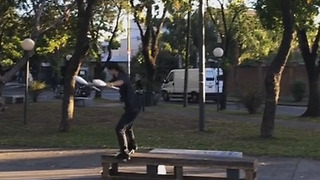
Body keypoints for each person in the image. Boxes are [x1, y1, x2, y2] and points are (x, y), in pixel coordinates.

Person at [105, 62, 142, 161]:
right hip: (133, 107)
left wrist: (111, 84)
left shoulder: (122, 76)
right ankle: (132, 146)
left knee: (119, 128)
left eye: (109, 70)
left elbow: (121, 82)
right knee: (128, 127)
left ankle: (124, 152)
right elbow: (112, 84)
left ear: (113, 70)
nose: (109, 72)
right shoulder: (117, 77)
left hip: (133, 107)